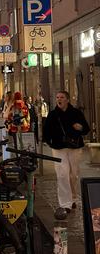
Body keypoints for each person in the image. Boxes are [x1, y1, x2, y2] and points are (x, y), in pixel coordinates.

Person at [43, 90, 90, 220]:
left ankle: (73, 197)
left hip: (74, 148)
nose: (59, 99)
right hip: (58, 148)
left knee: (73, 175)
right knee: (62, 174)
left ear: (67, 100)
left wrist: (80, 128)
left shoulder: (76, 113)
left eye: (62, 97)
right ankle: (65, 204)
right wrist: (50, 142)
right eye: (57, 97)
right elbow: (46, 131)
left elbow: (86, 129)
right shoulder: (53, 115)